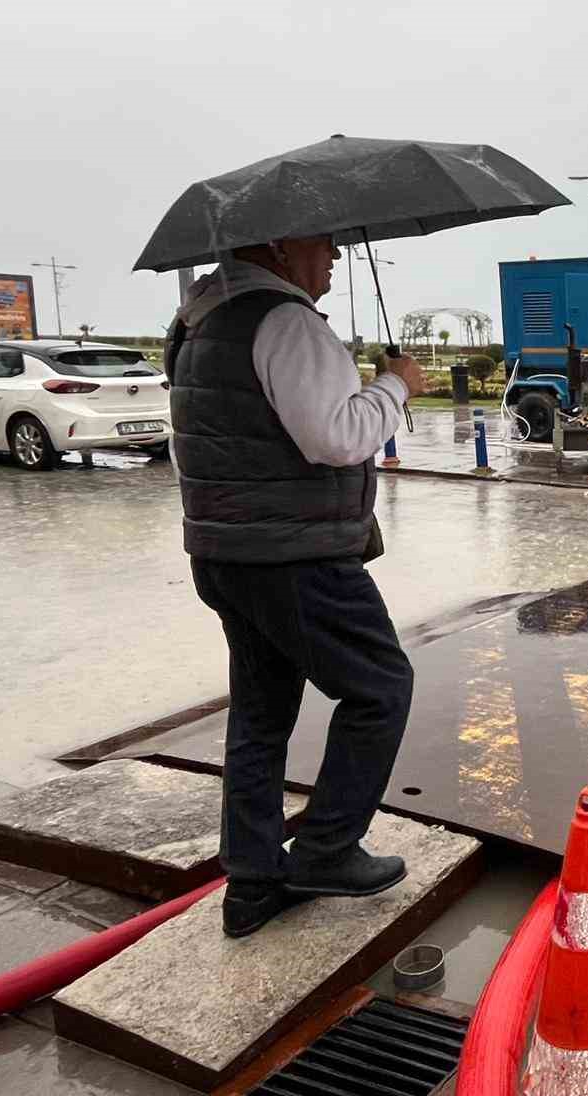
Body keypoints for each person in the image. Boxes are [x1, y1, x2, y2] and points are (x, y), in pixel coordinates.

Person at [163, 236, 428, 938]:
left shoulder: (199, 320)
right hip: (295, 554)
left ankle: (252, 885)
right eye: (325, 245)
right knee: (380, 687)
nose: (337, 257)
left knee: (260, 712)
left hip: (224, 550)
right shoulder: (283, 320)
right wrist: (395, 384)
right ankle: (328, 850)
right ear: (282, 247)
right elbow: (336, 439)